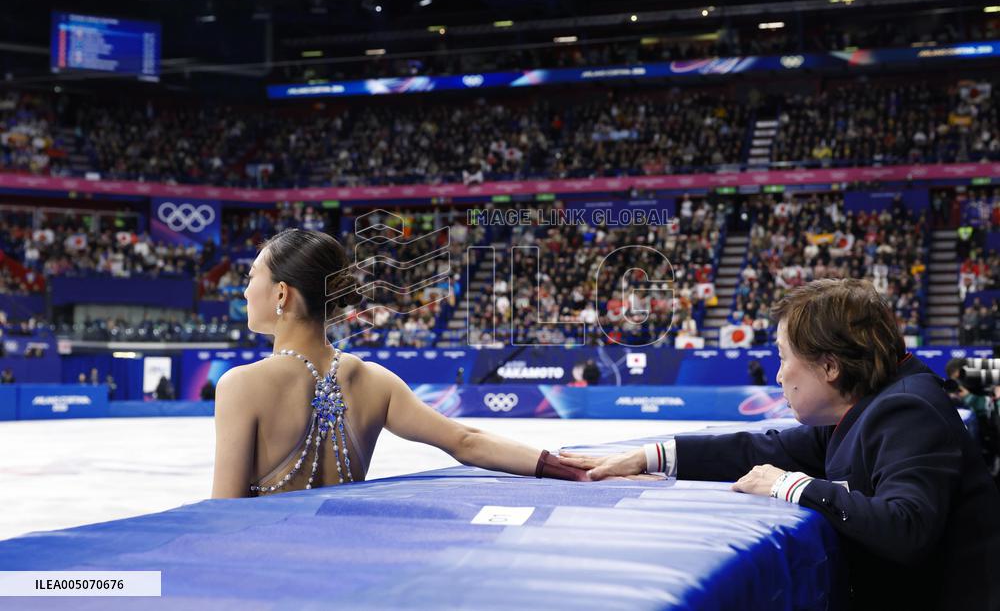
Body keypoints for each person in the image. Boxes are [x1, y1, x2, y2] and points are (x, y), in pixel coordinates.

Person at [560, 279, 1000, 611]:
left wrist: (792, 485)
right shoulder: (866, 403)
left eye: (784, 357)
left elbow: (907, 527)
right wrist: (651, 455)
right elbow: (763, 450)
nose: (777, 375)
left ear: (829, 366)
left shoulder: (907, 409)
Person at [211, 228, 585, 499]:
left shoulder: (241, 385)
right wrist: (572, 469)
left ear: (281, 292)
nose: (244, 290)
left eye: (251, 277)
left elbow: (223, 514)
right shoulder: (374, 381)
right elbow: (466, 441)